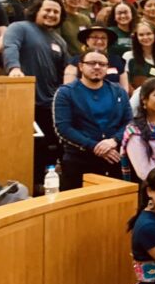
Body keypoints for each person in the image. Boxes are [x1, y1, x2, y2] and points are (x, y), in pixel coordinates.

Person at [4, 0, 69, 190]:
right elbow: (10, 47)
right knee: (31, 148)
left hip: (50, 105)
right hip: (25, 103)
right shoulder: (20, 27)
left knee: (51, 148)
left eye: (56, 12)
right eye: (47, 10)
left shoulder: (60, 41)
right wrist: (14, 68)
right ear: (37, 10)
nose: (51, 14)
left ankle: (44, 185)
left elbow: (65, 72)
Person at [52, 49, 132, 189]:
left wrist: (114, 140)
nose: (97, 67)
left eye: (102, 64)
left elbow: (129, 122)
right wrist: (95, 146)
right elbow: (63, 128)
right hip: (79, 160)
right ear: (81, 66)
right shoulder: (65, 93)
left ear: (107, 68)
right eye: (92, 63)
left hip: (113, 157)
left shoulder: (119, 91)